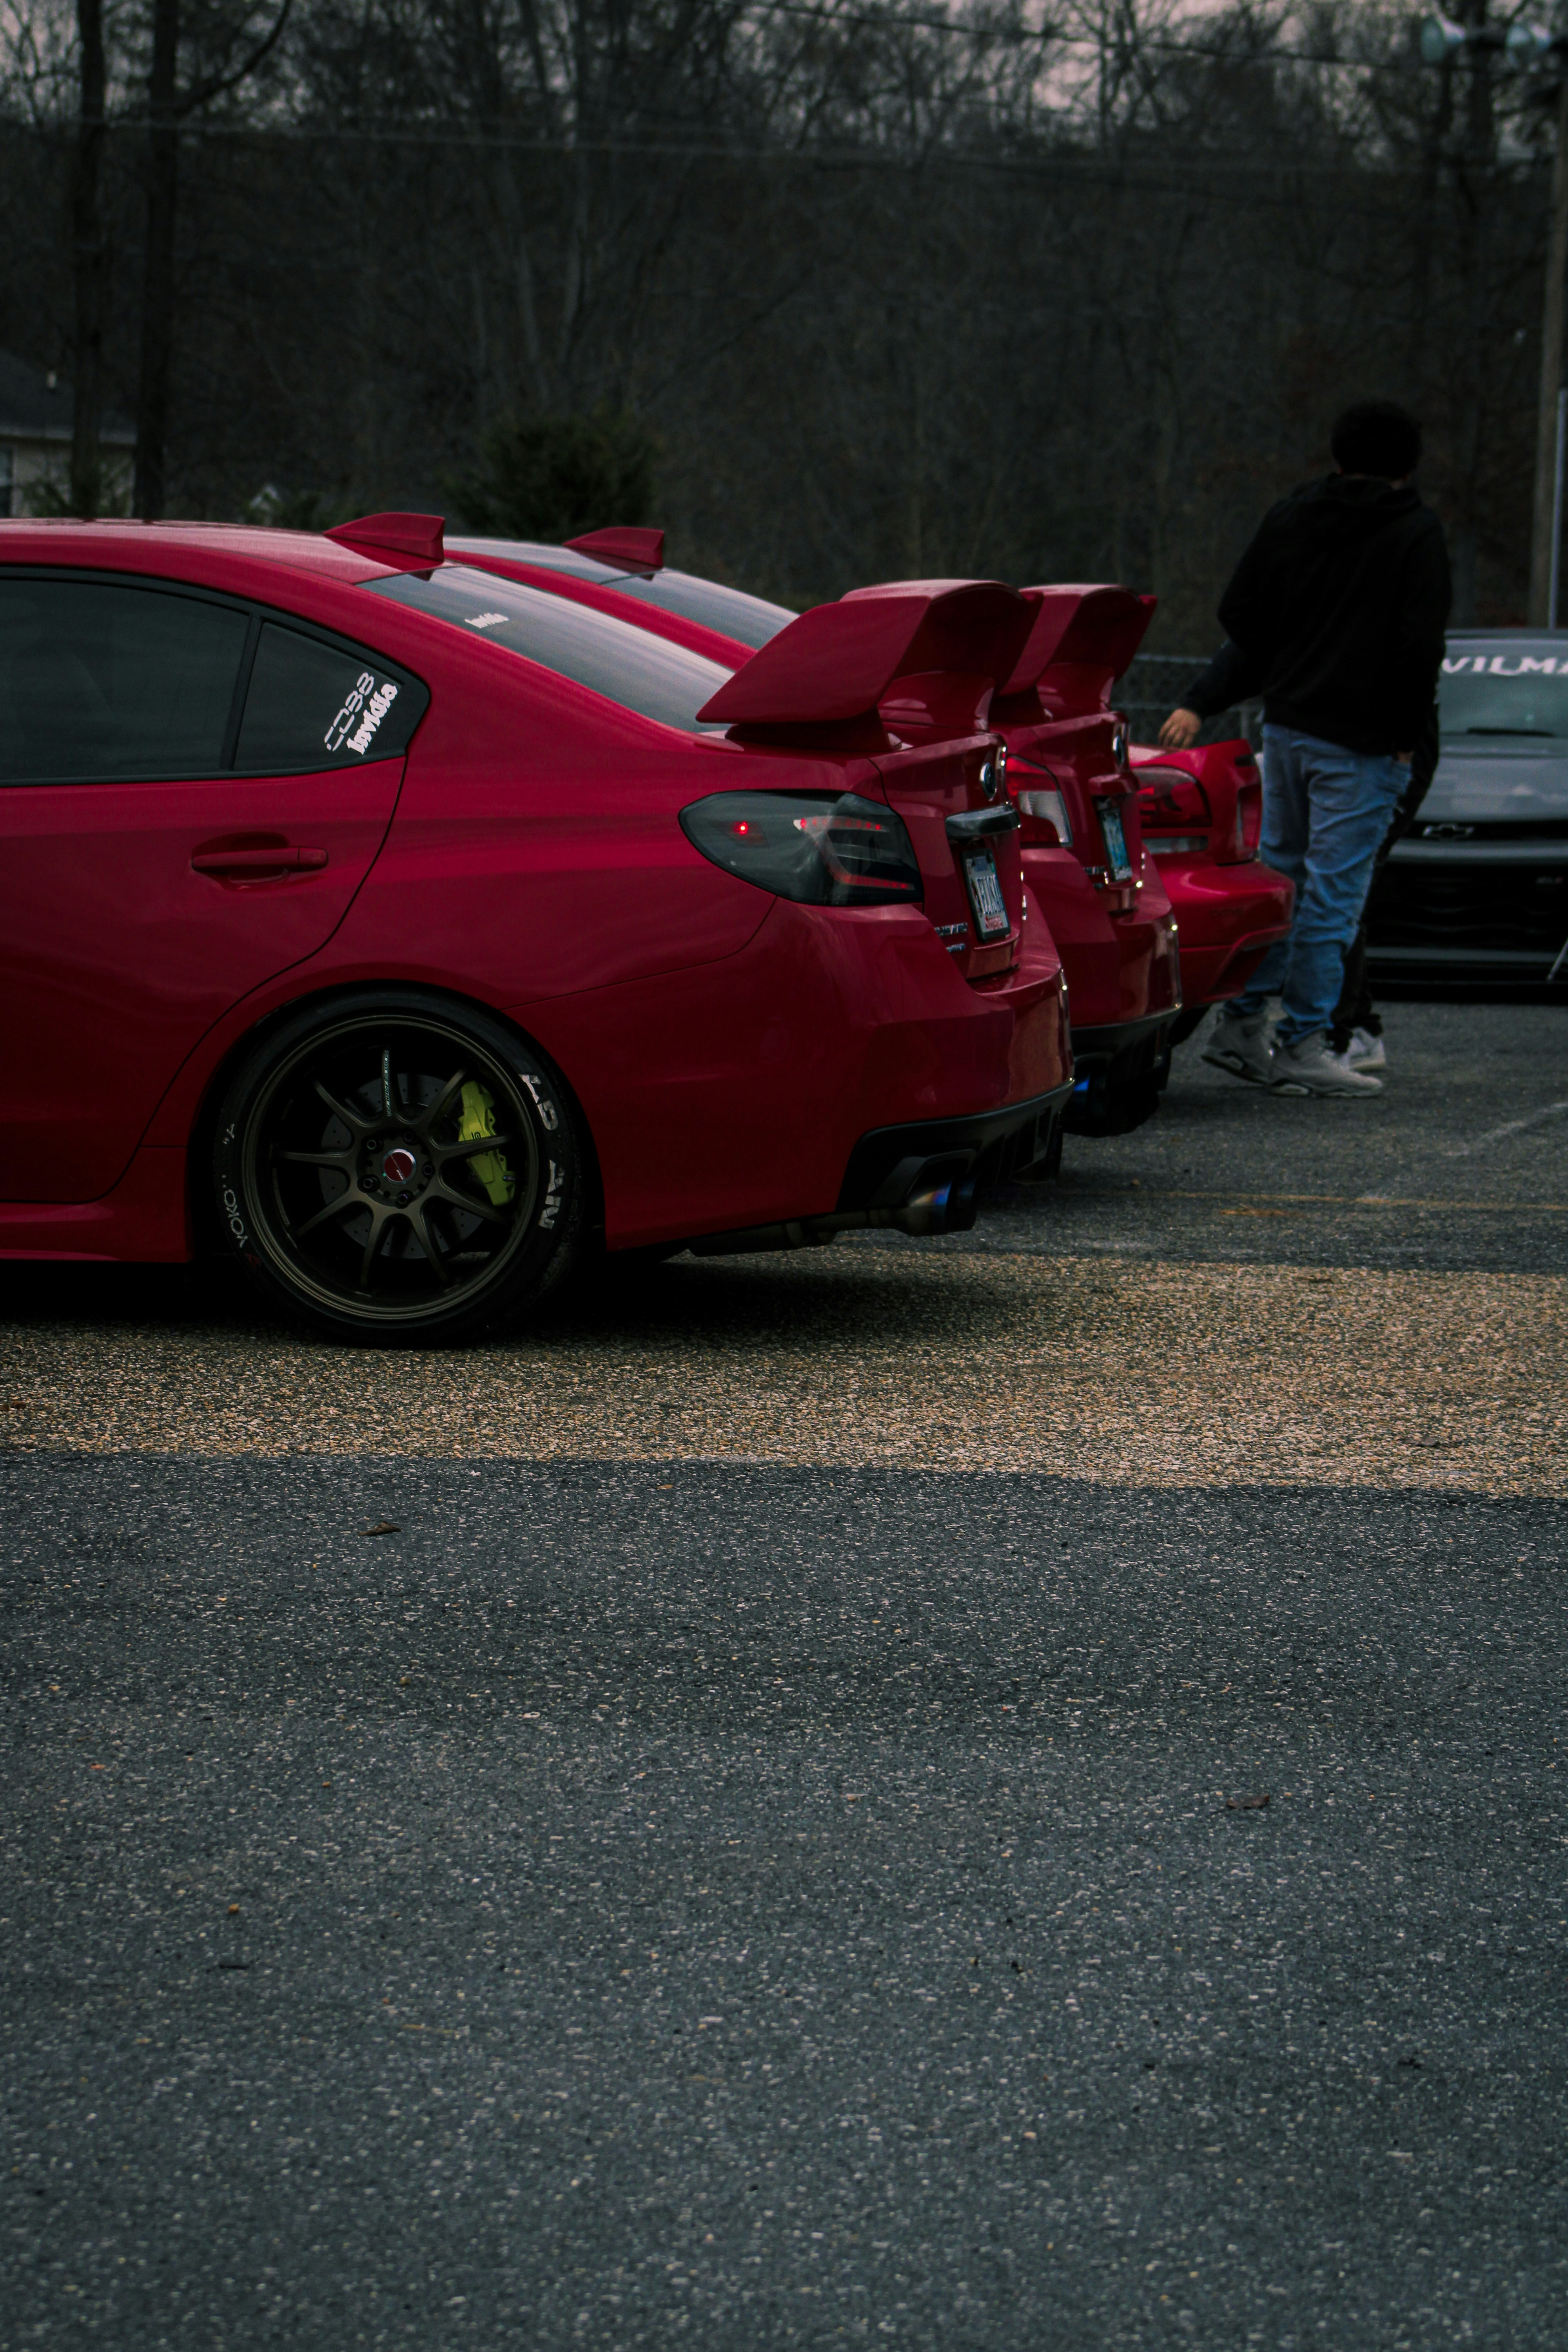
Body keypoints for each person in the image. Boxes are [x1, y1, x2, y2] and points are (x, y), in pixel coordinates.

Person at [1159, 399, 1451, 1096]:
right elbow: (1420, 646)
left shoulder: (1293, 517)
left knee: (1281, 879)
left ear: (1338, 454)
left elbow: (1241, 614)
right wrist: (1407, 738)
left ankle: (1244, 1021)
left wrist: (1270, 665)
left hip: (1286, 727)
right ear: (1408, 466)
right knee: (1334, 896)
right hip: (1364, 742)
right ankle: (1306, 1041)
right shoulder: (1414, 532)